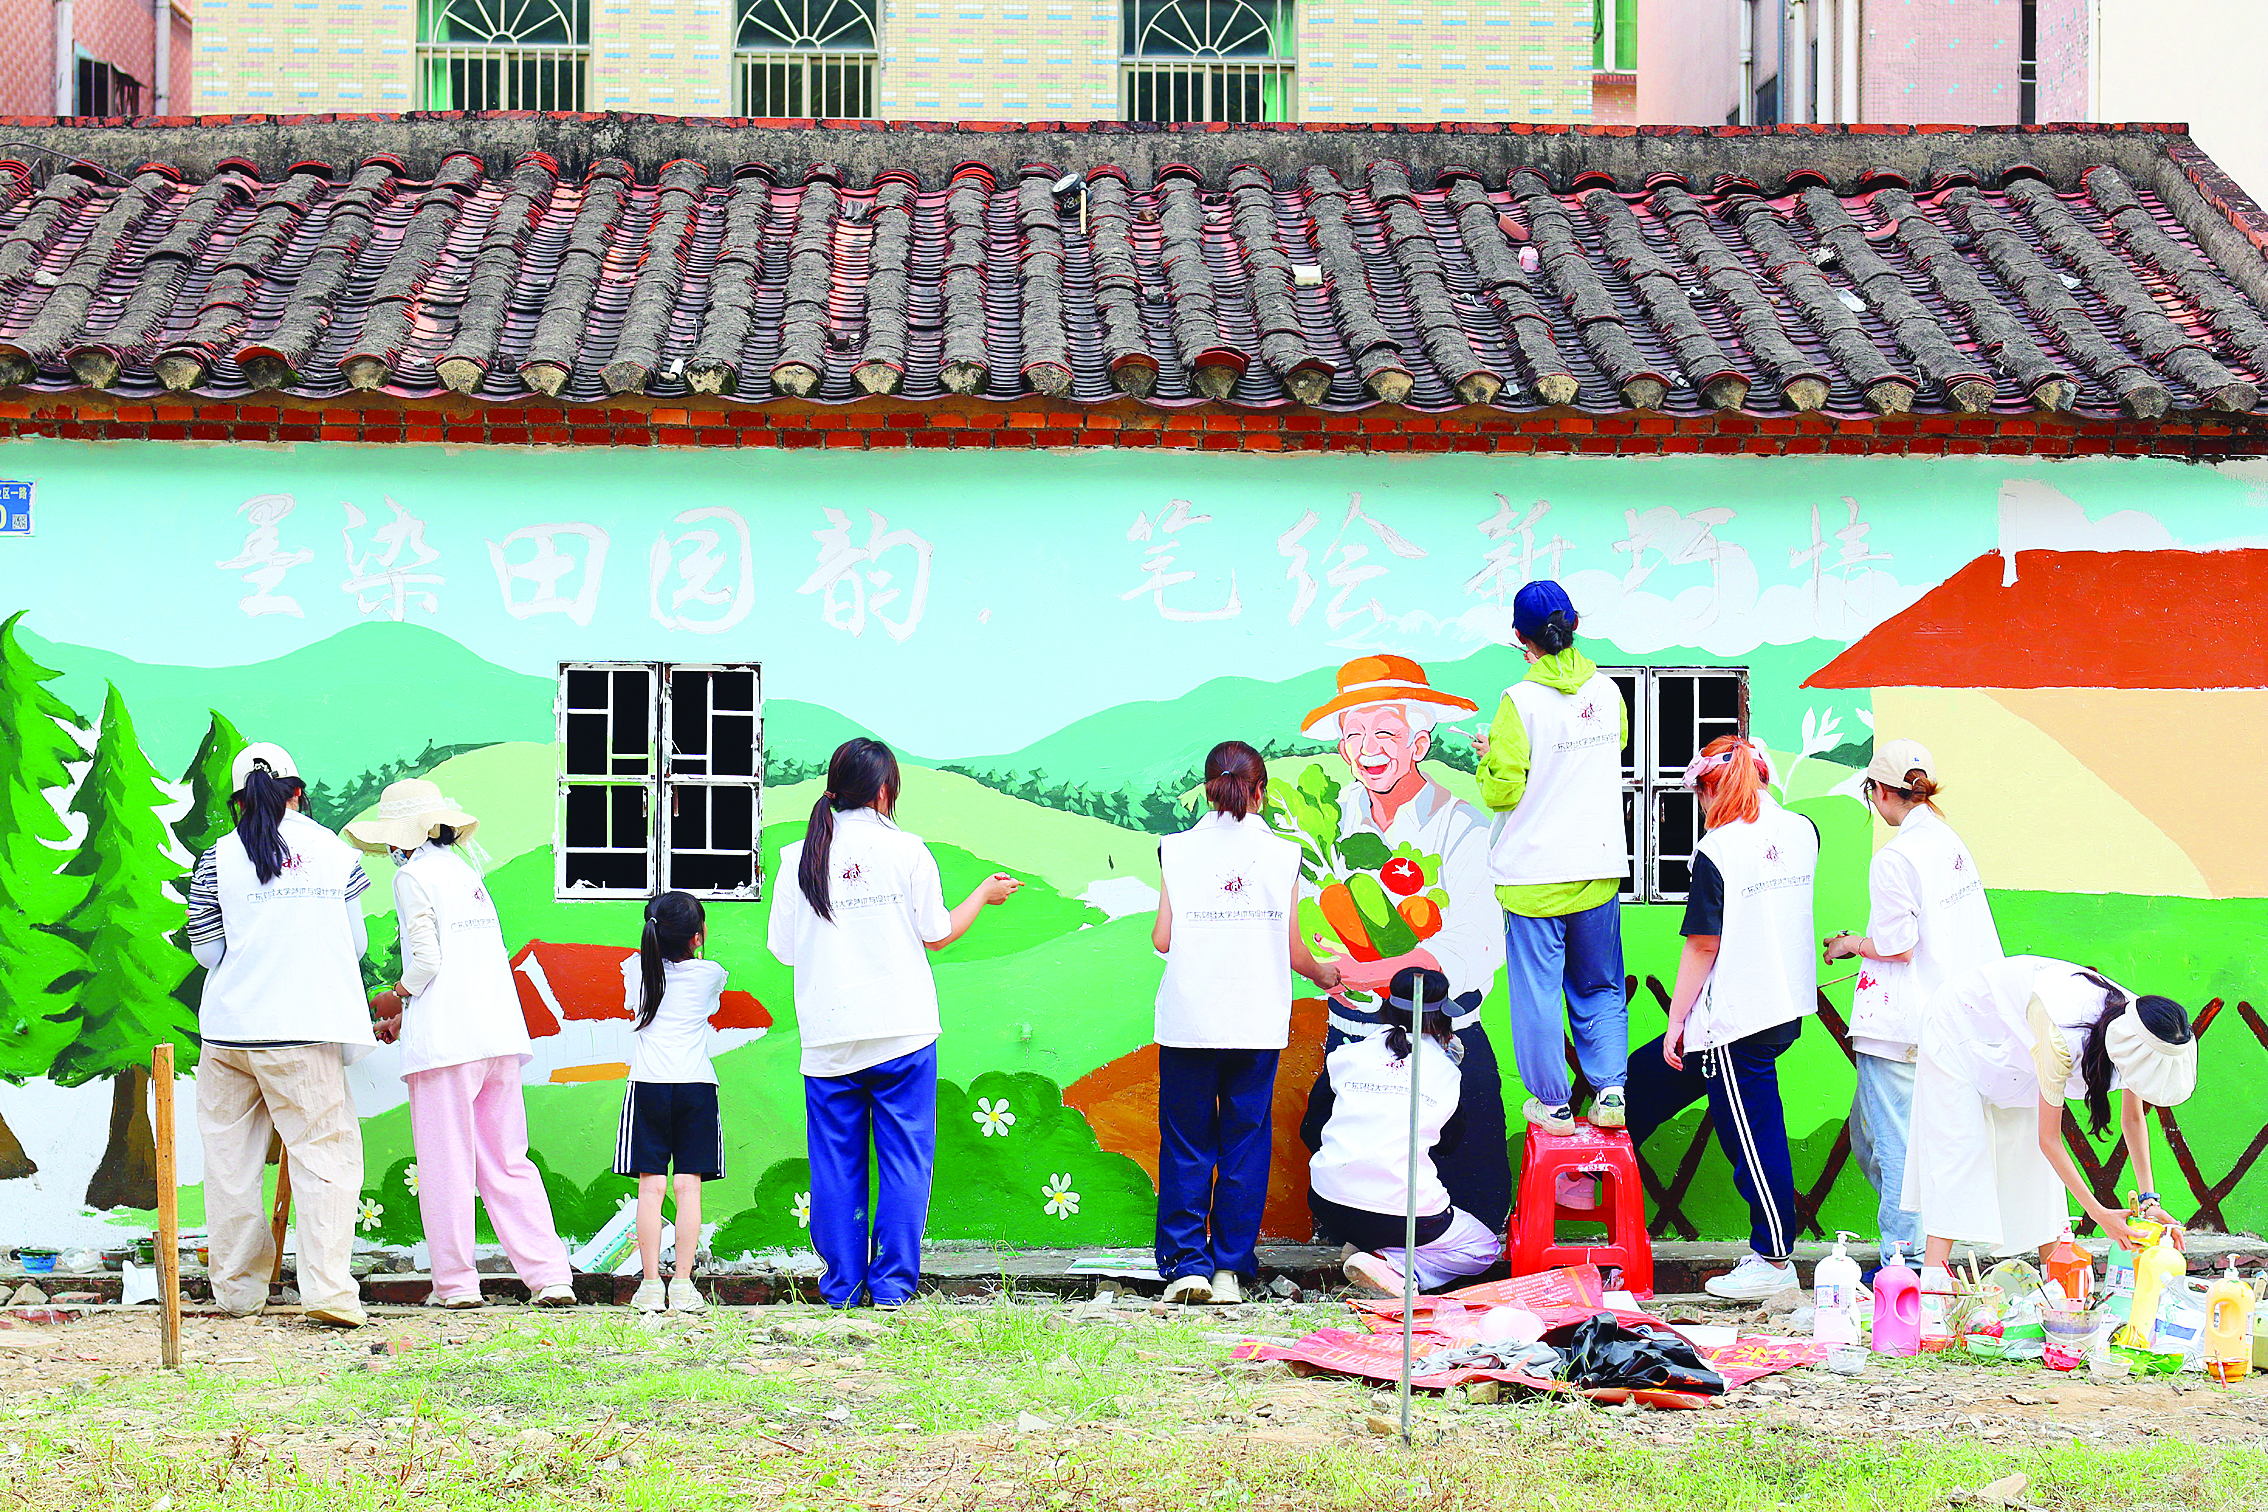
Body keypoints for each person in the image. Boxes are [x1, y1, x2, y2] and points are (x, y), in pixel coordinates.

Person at [767, 738, 1021, 1309]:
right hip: (903, 1030)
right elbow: (936, 933)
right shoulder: (908, 851)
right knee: (906, 1160)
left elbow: (783, 950)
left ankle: (841, 1288)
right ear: (885, 791)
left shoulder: (795, 858)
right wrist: (983, 893)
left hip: (829, 1036)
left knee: (836, 1165)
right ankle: (891, 1287)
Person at [1292, 655, 1512, 1233]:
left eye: (1385, 732)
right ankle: (1368, 1252)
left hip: (1446, 1035)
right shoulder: (1327, 829)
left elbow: (1475, 943)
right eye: (1355, 734)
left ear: (1419, 741)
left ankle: (1430, 1262)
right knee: (1334, 1151)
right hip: (1354, 1037)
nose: (1369, 748)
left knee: (1471, 1186)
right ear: (1342, 748)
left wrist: (1366, 973)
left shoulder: (1461, 825)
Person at [350, 779, 576, 1312]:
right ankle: (549, 1276)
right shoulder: (466, 872)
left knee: (447, 1164)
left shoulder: (412, 877)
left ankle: (456, 1285)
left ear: (402, 836)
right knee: (507, 1159)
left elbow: (427, 963)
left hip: (446, 1045)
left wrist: (395, 995)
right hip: (497, 1034)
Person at [183, 743, 375, 1329]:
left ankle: (239, 1292)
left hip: (230, 1034)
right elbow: (358, 945)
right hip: (305, 1029)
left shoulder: (215, 858)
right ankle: (327, 1292)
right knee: (324, 1160)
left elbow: (207, 951)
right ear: (296, 791)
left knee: (230, 1163)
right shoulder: (336, 854)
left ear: (239, 800)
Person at [1625, 735, 1820, 1301]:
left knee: (1750, 1140)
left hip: (1735, 1018)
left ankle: (1774, 1259)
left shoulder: (1718, 849)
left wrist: (1676, 1020)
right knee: (1644, 1080)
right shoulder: (1803, 831)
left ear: (1711, 787)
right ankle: (1596, 1179)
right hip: (1782, 1008)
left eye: (1701, 796)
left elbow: (1703, 946)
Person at [1150, 741, 1342, 1306]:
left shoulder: (1175, 849)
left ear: (1208, 788)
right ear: (1259, 791)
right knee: (1245, 1141)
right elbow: (1293, 950)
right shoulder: (1283, 854)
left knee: (1186, 1140)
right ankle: (1230, 1269)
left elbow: (1162, 939)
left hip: (1189, 1020)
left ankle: (1186, 1264)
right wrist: (1325, 973)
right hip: (1257, 1022)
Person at [1821, 739, 2003, 1273]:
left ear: (1879, 790)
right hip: (1947, 1022)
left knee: (1896, 1147)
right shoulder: (1950, 843)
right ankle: (1920, 1241)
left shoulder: (1895, 857)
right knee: (1869, 1136)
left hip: (1900, 1025)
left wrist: (1851, 944)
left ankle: (1907, 1263)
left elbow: (1898, 946)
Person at [1906, 956, 2195, 1275]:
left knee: (2039, 1174)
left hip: (2016, 1044)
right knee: (1959, 1157)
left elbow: (2133, 1118)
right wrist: (2098, 1213)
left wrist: (2149, 1201)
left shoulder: (2144, 1027)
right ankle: (1933, 1290)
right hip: (1959, 1024)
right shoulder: (2065, 1037)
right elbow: (2050, 1140)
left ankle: (2056, 1294)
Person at [1475, 579, 1631, 1136]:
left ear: (1520, 638)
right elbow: (1607, 752)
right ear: (1576, 623)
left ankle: (1554, 1105)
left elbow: (1502, 792)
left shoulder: (1518, 703)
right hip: (1596, 870)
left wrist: (1490, 756)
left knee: (1538, 993)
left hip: (1534, 876)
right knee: (1600, 986)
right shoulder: (1610, 692)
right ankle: (1610, 1091)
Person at [1302, 968, 1500, 1295]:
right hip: (1404, 1218)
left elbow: (1311, 1129)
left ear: (1388, 1010)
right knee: (1484, 1248)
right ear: (1443, 1020)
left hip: (1327, 1202)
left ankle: (1370, 1251)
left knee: (1378, 1210)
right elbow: (1449, 1143)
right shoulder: (1443, 1070)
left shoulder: (1348, 1055)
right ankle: (1396, 1267)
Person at [614, 890, 728, 1314]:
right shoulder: (711, 973)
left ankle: (648, 1286)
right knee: (688, 1186)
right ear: (697, 937)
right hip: (697, 1087)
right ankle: (681, 1284)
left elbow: (632, 1005)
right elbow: (711, 1005)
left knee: (652, 1187)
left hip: (648, 1085)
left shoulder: (632, 971)